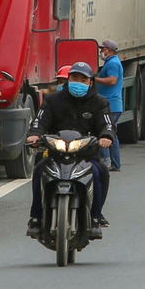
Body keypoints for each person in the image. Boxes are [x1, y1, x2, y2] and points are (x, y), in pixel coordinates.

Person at [26, 62, 114, 238]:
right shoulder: (52, 100)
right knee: (39, 171)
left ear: (90, 82)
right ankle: (35, 218)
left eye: (83, 79)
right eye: (75, 78)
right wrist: (35, 135)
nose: (78, 82)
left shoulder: (100, 102)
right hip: (57, 153)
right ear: (69, 79)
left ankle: (95, 217)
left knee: (101, 173)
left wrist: (106, 137)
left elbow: (107, 124)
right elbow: (40, 121)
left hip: (86, 155)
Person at [95, 39, 124, 171]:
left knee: (105, 132)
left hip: (111, 104)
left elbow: (112, 80)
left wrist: (93, 79)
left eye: (103, 49)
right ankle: (115, 163)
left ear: (109, 50)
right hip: (113, 104)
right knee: (112, 133)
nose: (101, 51)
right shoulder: (111, 62)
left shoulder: (112, 64)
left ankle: (106, 162)